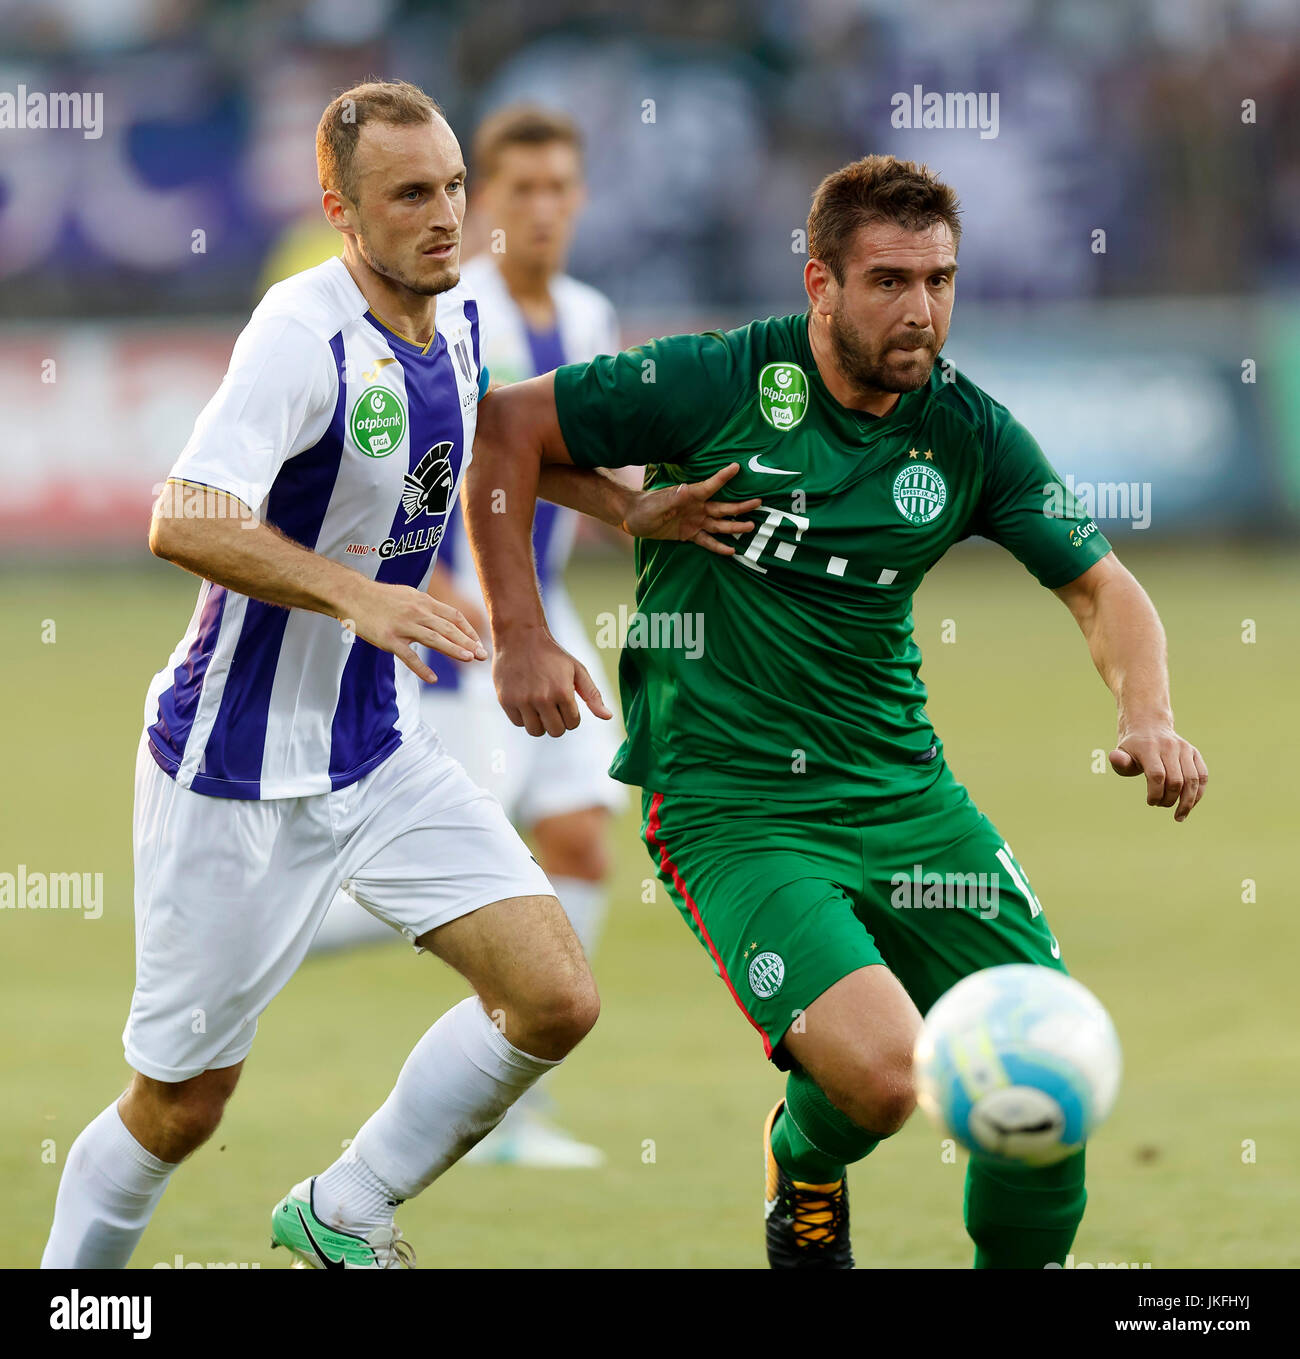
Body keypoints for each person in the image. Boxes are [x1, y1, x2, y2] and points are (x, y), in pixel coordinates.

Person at [39, 79, 752, 1270]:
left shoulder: (457, 314)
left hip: (375, 750)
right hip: (229, 770)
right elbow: (184, 516)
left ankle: (344, 1205)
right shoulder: (297, 332)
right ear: (340, 209)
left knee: (552, 999)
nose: (444, 215)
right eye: (409, 195)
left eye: (453, 188)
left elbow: (482, 443)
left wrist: (630, 509)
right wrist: (357, 590)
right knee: (179, 1109)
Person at [459, 154, 1209, 1269]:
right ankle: (803, 1162)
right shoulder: (715, 380)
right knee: (883, 1078)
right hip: (733, 808)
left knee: (1045, 1074)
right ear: (819, 284)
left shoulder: (966, 432)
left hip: (908, 797)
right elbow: (505, 429)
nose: (920, 310)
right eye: (890, 281)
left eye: (940, 281)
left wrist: (1146, 712)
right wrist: (528, 628)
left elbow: (1101, 585)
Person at [310, 105, 625, 1170]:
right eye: (518, 191)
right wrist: (450, 602)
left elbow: (592, 464)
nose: (540, 210)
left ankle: (515, 1110)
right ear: (481, 202)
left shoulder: (586, 314)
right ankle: (286, 923)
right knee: (469, 864)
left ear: (580, 200)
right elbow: (425, 468)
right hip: (461, 620)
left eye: (559, 190)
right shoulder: (454, 307)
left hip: (544, 611)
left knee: (580, 838)